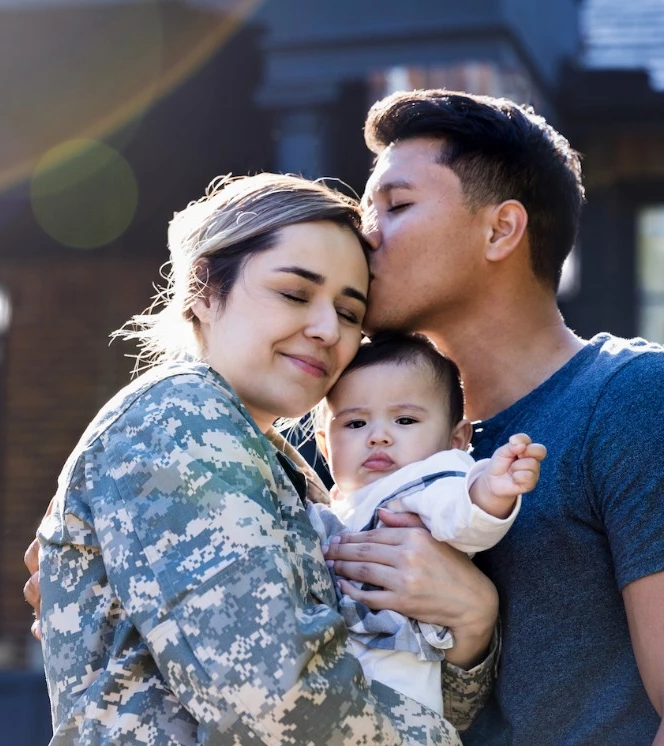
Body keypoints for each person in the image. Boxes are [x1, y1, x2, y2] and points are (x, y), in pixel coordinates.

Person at [323, 89, 664, 744]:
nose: (365, 235)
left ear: (501, 229)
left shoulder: (649, 404)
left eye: (395, 206)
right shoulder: (359, 438)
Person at [34, 173, 498, 744]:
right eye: (295, 294)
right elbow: (280, 708)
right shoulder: (179, 419)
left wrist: (472, 624)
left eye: (351, 313)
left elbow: (381, 688)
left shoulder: (275, 462)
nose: (329, 329)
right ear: (204, 290)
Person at [306, 332, 545, 717]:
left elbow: (461, 517)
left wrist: (491, 490)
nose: (378, 436)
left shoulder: (426, 479)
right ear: (324, 443)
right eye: (354, 424)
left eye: (404, 420)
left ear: (456, 440)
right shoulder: (339, 502)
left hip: (397, 681)